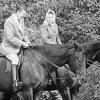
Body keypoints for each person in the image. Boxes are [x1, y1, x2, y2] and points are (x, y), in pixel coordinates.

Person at [0, 5, 31, 92]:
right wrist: (22, 43)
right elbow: (10, 38)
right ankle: (15, 83)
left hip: (18, 47)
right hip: (8, 47)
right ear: (17, 12)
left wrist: (28, 41)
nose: (24, 16)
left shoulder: (21, 20)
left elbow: (23, 34)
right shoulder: (9, 21)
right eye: (23, 14)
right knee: (15, 59)